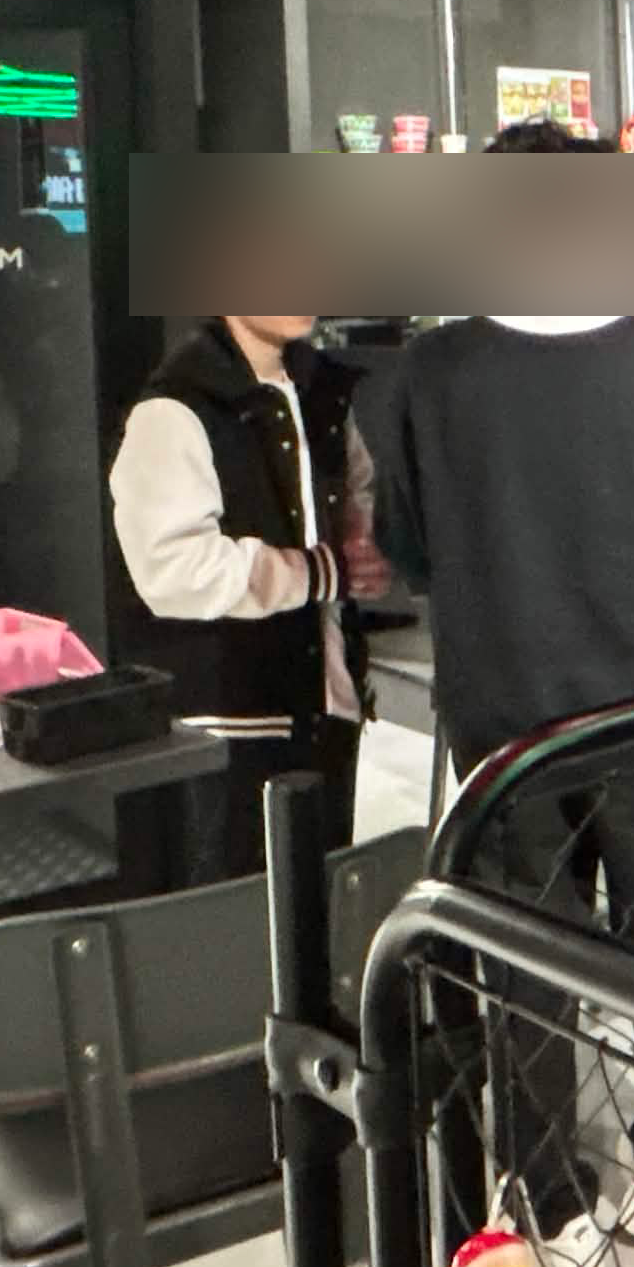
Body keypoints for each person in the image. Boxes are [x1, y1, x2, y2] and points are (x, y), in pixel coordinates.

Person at [368, 305, 634, 1267]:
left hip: (507, 706)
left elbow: (408, 548)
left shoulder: (431, 370)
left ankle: (549, 1189)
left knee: (525, 958)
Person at [107, 314, 384, 890]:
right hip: (227, 727)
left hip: (324, 710)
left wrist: (363, 547)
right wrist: (319, 571)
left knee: (316, 907)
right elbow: (174, 569)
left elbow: (357, 489)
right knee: (233, 916)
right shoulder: (174, 409)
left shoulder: (323, 391)